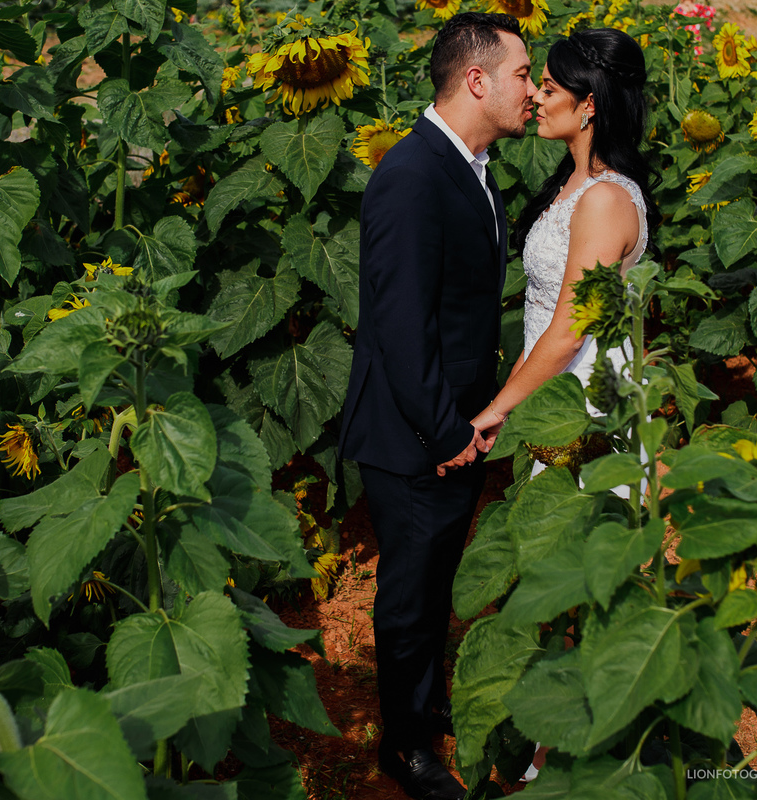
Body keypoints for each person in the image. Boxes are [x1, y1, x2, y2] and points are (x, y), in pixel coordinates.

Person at [337, 13, 536, 800]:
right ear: (476, 79)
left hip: (455, 422)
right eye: (523, 74)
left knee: (436, 579)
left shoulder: (470, 166)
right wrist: (446, 430)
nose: (533, 88)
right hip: (416, 432)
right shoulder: (413, 175)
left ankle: (424, 699)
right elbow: (399, 321)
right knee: (411, 595)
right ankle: (406, 746)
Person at [473, 28, 660, 457]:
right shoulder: (575, 182)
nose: (535, 97)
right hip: (556, 387)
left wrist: (498, 409)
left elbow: (570, 329)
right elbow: (544, 313)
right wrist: (516, 396)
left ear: (589, 103)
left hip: (588, 397)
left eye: (550, 88)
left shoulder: (604, 200)